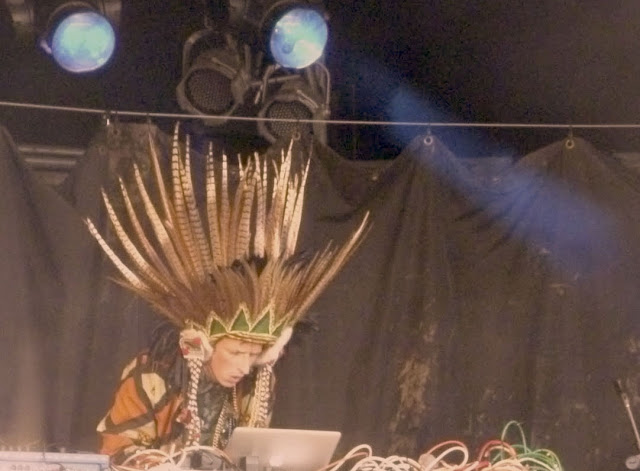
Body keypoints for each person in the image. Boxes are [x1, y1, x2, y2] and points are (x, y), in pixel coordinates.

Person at [87, 125, 368, 463]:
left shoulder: (256, 383)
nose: (244, 366)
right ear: (203, 345)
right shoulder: (152, 375)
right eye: (235, 351)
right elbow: (117, 450)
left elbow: (252, 452)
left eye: (253, 354)